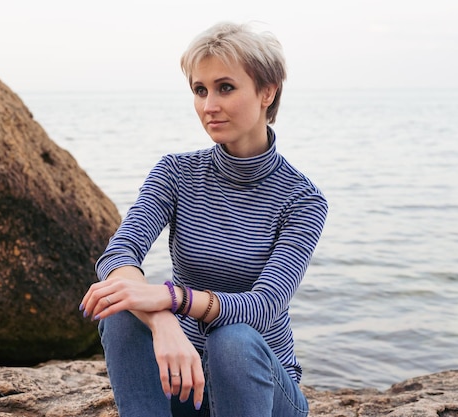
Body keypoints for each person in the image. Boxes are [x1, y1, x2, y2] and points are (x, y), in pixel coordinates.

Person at [80, 21, 328, 417]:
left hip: (262, 390)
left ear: (267, 91)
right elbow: (119, 255)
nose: (208, 105)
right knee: (122, 308)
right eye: (200, 90)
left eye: (225, 88)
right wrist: (162, 321)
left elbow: (263, 306)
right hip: (185, 380)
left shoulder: (301, 200)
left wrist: (172, 297)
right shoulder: (175, 173)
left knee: (232, 339)